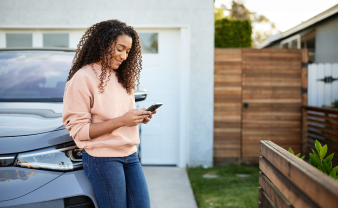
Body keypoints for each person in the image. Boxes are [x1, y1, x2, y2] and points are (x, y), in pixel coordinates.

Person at [62, 19, 156, 208]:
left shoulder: (123, 77)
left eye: (128, 51)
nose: (124, 56)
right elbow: (79, 131)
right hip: (102, 159)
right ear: (102, 43)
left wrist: (138, 117)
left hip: (130, 154)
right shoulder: (83, 78)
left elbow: (120, 115)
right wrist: (122, 121)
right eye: (120, 48)